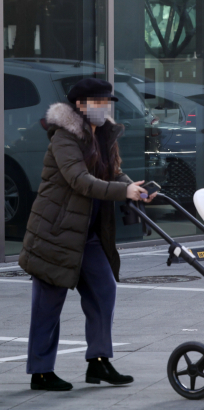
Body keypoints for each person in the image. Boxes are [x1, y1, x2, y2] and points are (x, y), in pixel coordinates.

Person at [19, 78, 157, 391]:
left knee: (103, 292)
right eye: (98, 102)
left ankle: (98, 361)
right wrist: (125, 191)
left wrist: (137, 188)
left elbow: (111, 172)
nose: (105, 107)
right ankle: (41, 372)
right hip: (56, 232)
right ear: (80, 105)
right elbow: (79, 180)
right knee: (47, 306)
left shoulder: (103, 133)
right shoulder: (64, 137)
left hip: (89, 233)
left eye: (108, 102)